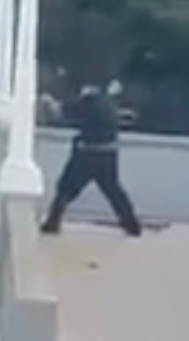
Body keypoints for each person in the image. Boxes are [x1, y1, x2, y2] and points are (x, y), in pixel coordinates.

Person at [41, 81, 142, 236]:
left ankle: (52, 223)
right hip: (108, 154)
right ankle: (132, 225)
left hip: (86, 154)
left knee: (65, 188)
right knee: (114, 191)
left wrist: (48, 101)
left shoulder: (87, 103)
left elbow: (60, 112)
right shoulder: (108, 103)